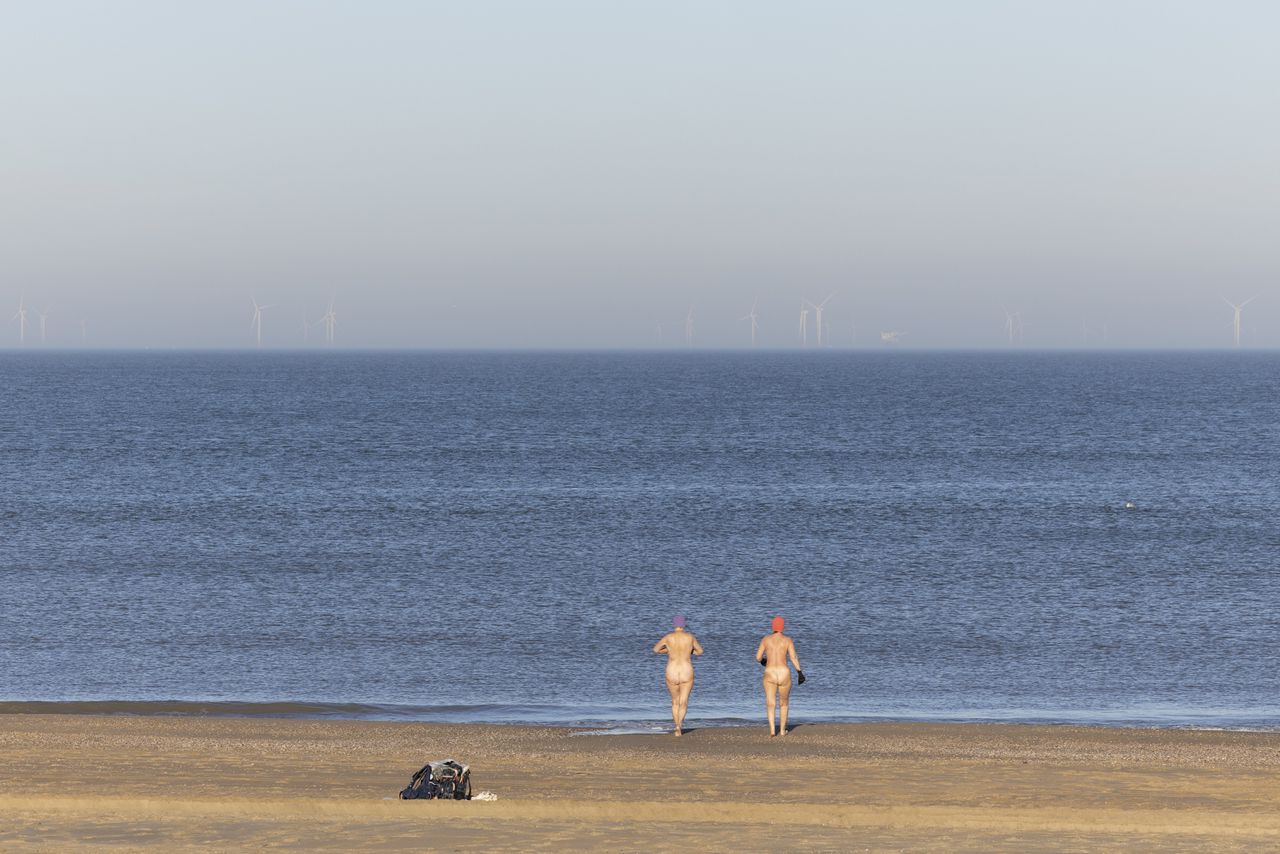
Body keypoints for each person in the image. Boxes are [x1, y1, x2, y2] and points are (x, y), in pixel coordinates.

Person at [652, 615, 703, 736]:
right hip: (686, 670)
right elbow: (700, 651)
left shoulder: (668, 637)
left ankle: (676, 727)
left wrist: (668, 650)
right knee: (684, 701)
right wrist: (690, 651)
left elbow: (655, 649)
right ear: (683, 624)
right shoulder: (690, 637)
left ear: (674, 625)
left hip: (672, 670)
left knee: (675, 701)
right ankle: (680, 725)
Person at [755, 616, 804, 737]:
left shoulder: (766, 639)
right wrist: (799, 672)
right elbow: (793, 657)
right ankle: (782, 731)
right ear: (783, 627)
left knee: (770, 703)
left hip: (770, 672)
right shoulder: (787, 640)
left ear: (773, 627)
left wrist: (764, 661)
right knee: (784, 703)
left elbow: (758, 657)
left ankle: (772, 731)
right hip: (784, 673)